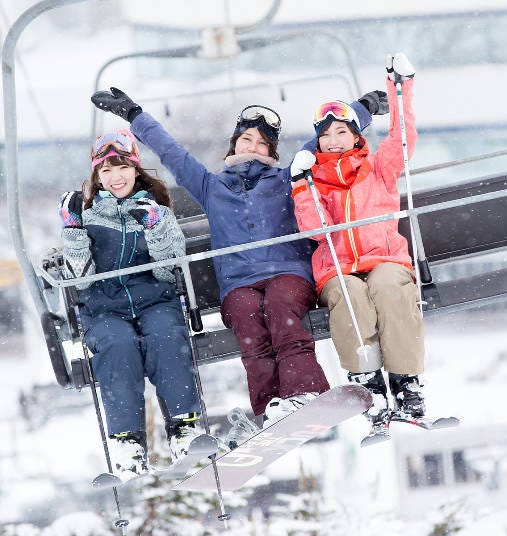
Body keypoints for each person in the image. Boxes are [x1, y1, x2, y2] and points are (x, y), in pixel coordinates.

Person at [90, 86, 388, 428]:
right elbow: (170, 152)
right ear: (235, 144)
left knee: (280, 307)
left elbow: (326, 134)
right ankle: (269, 406)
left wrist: (363, 107)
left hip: (287, 274)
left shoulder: (287, 178)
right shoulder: (210, 186)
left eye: (263, 144)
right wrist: (133, 115)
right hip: (238, 284)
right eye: (247, 140)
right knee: (248, 318)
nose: (254, 148)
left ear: (271, 152)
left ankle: (304, 392)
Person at [289, 53, 425, 431]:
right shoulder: (312, 178)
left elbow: (402, 138)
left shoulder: (378, 167)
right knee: (349, 297)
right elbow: (317, 231)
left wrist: (401, 90)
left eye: (341, 132)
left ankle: (405, 381)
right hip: (339, 266)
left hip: (384, 258)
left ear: (355, 135)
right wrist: (302, 187)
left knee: (388, 288)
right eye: (325, 135)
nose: (333, 141)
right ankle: (368, 383)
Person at [58, 130, 202, 479]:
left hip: (155, 299)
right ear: (96, 178)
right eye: (105, 171)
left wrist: (154, 227)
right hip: (105, 308)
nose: (115, 177)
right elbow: (81, 280)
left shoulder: (158, 211)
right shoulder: (89, 217)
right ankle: (127, 442)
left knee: (166, 335)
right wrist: (74, 232)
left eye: (122, 167)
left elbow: (170, 271)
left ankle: (184, 427)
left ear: (136, 169)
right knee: (116, 344)